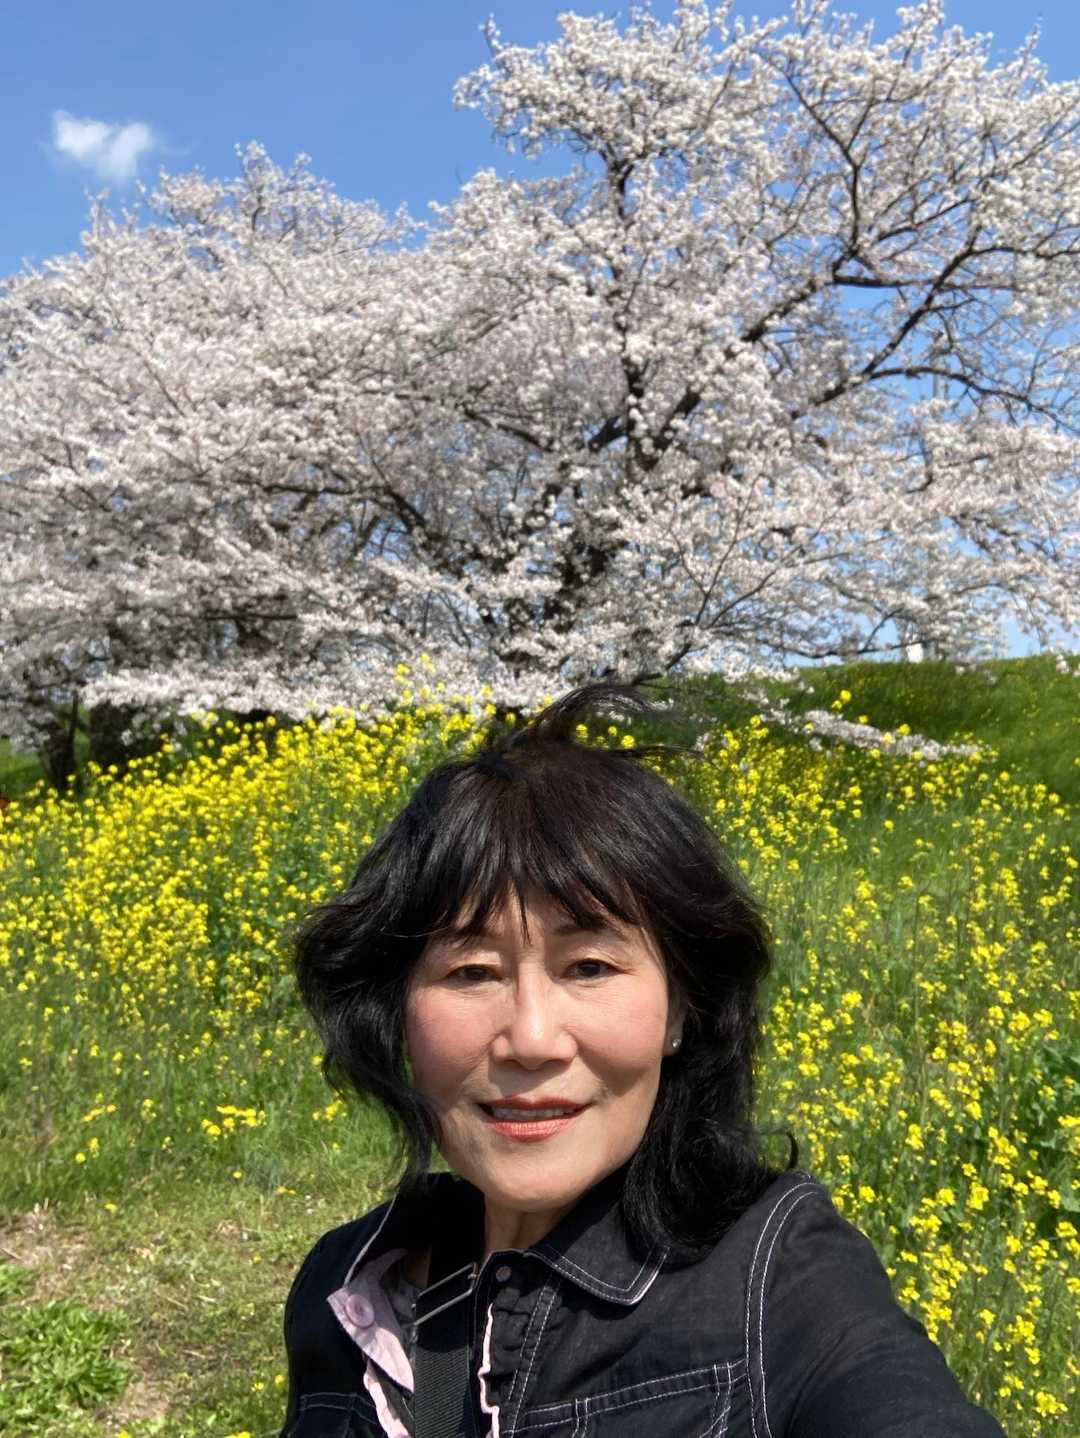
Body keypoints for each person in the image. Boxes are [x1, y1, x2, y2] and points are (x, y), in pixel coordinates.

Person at [280, 684, 1004, 1437]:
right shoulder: (354, 1279)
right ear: (397, 1012)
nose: (532, 1039)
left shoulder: (779, 1280)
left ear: (682, 1007)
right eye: (472, 972)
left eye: (589, 967)